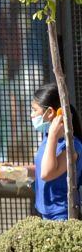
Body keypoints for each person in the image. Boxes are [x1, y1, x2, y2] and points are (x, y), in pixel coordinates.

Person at [30, 83, 82, 221]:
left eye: (34, 110)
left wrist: (53, 135)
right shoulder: (47, 138)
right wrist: (16, 172)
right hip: (45, 215)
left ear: (51, 112)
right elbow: (40, 170)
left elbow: (47, 173)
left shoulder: (72, 146)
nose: (31, 115)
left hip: (64, 216)